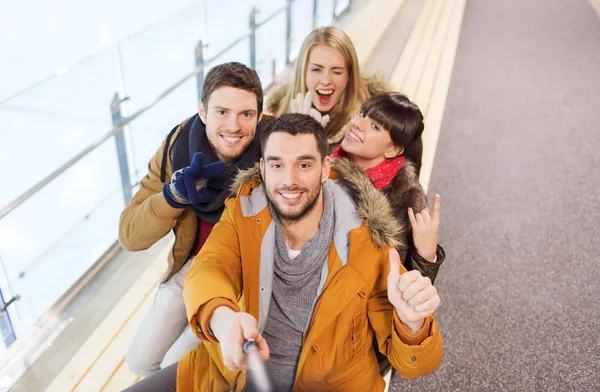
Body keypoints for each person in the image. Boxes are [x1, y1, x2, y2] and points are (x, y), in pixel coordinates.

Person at [124, 113, 444, 391]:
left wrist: (412, 324)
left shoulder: (368, 241)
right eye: (278, 164)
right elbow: (210, 267)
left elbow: (415, 365)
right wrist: (222, 318)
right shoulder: (245, 210)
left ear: (325, 168)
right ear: (263, 168)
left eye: (304, 164)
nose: (289, 181)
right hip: (230, 378)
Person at [118, 62, 269, 376]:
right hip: (191, 266)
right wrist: (172, 197)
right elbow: (130, 236)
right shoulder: (178, 147)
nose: (233, 126)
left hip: (240, 278)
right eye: (221, 112)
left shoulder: (275, 150)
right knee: (140, 361)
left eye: (246, 114)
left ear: (260, 114)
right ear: (202, 111)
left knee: (176, 367)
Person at [331, 92, 445, 283]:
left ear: (393, 150)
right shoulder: (324, 158)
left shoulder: (405, 204)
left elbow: (408, 288)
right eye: (362, 113)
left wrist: (427, 256)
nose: (358, 123)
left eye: (375, 126)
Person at [266, 26, 391, 147]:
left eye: (337, 72)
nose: (326, 81)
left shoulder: (374, 128)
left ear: (349, 76)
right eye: (316, 69)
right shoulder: (271, 117)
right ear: (303, 72)